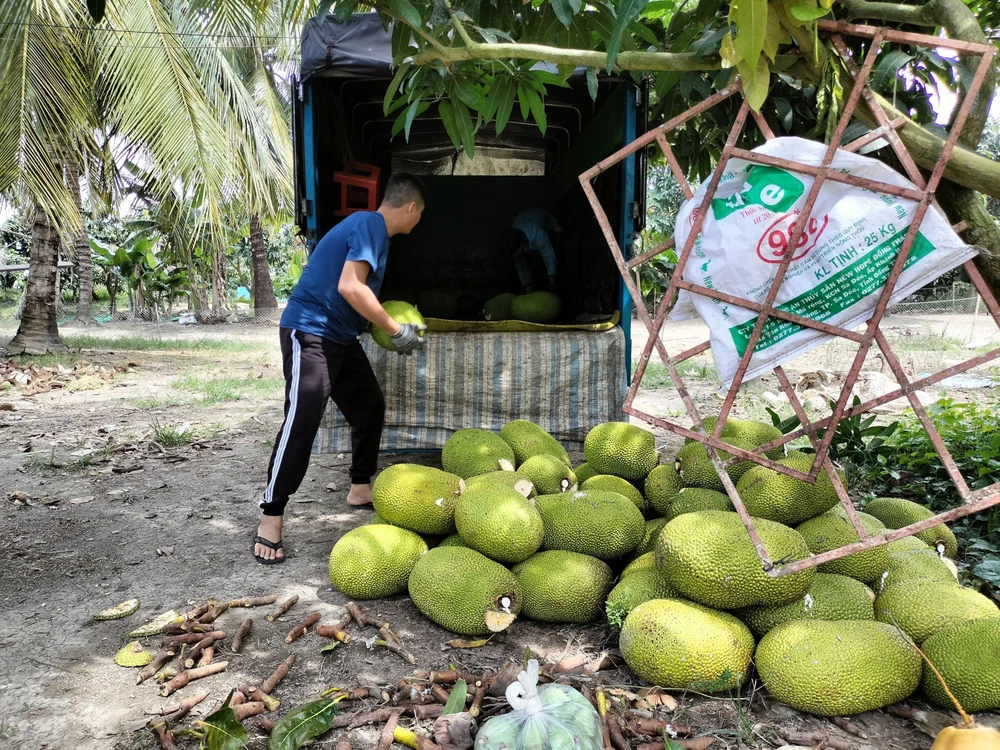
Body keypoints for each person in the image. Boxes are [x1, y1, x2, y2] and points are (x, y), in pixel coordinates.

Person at [252, 173, 427, 564]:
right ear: (411, 207)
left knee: (369, 407)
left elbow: (351, 292)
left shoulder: (372, 231)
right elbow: (351, 286)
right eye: (420, 216)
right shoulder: (370, 225)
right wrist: (395, 330)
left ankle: (360, 487)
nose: (418, 224)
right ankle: (271, 516)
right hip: (310, 333)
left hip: (340, 338)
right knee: (302, 421)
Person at [502, 209, 561, 293]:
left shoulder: (536, 233)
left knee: (543, 256)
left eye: (517, 254)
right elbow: (521, 268)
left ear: (521, 245)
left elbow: (548, 254)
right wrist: (528, 289)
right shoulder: (512, 244)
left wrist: (552, 280)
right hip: (522, 219)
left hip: (543, 218)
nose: (516, 257)